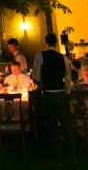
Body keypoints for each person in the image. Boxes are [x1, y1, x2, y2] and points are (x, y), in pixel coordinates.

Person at [32, 33, 75, 161]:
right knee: (67, 125)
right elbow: (68, 76)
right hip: (61, 93)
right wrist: (67, 91)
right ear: (56, 43)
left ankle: (57, 159)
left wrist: (39, 83)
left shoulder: (40, 56)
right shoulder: (62, 57)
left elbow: (36, 74)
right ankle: (73, 156)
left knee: (53, 126)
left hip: (49, 94)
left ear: (46, 42)